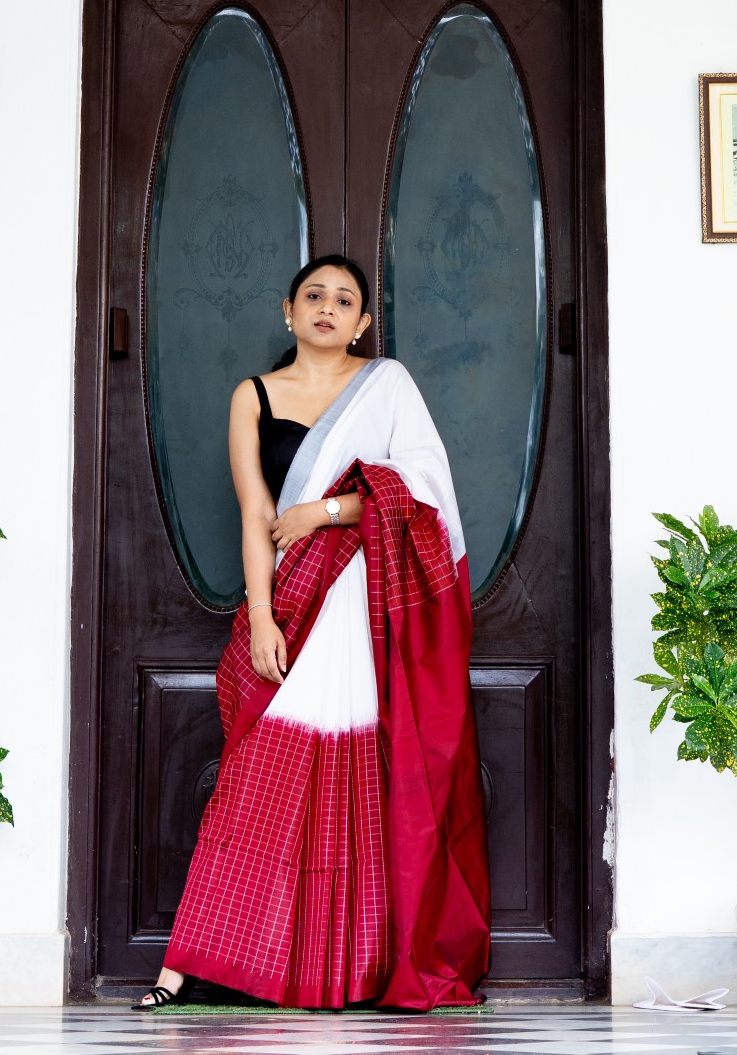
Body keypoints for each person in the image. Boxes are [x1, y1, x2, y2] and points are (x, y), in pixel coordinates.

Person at [135, 255, 490, 1012]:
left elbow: (426, 489)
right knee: (257, 775)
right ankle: (189, 966)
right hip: (292, 601)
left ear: (363, 323)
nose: (328, 309)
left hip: (366, 606)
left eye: (345, 301)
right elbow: (255, 513)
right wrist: (261, 615)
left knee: (359, 774)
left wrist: (325, 513)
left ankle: (348, 969)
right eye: (314, 296)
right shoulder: (253, 397)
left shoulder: (387, 386)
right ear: (288, 312)